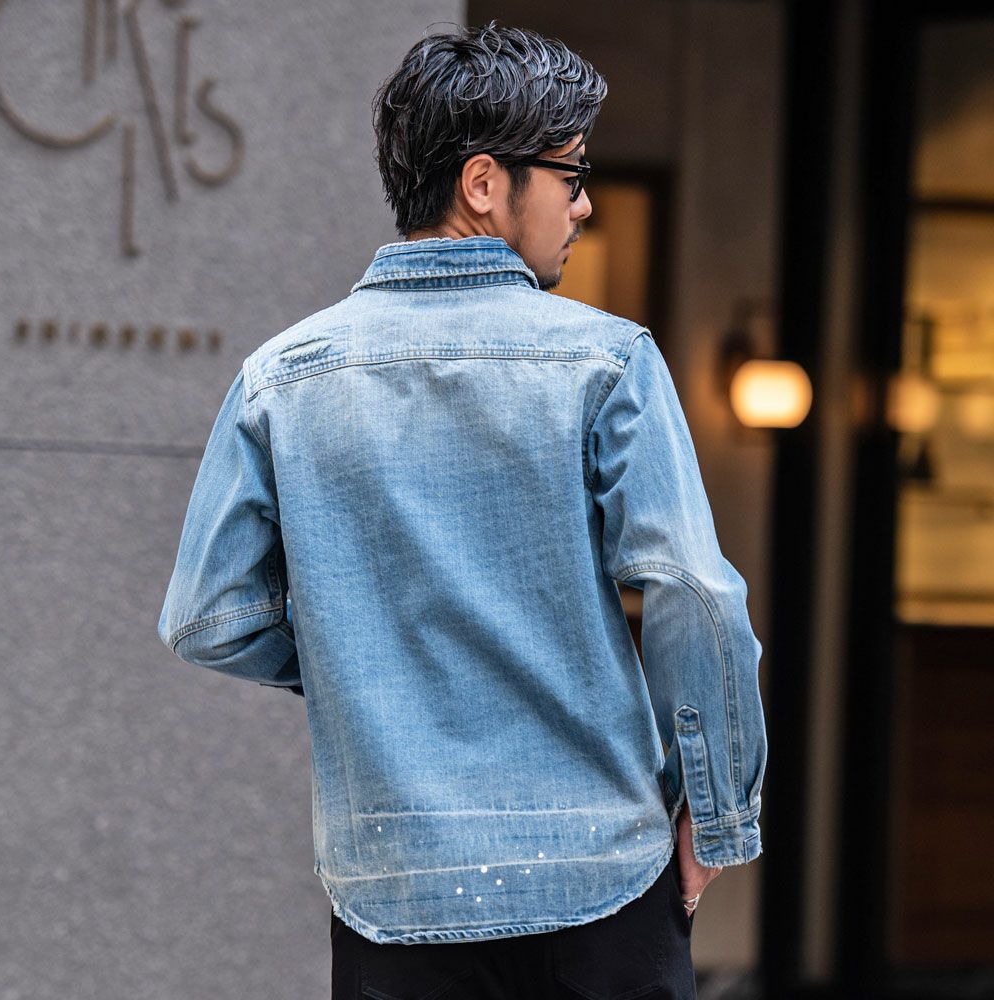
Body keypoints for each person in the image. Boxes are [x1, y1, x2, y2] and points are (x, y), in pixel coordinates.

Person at [157, 21, 768, 1000]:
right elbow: (694, 593)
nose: (584, 203)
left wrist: (371, 667)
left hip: (394, 889)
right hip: (601, 877)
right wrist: (717, 808)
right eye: (569, 173)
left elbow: (207, 618)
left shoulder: (281, 380)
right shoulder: (608, 362)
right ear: (484, 183)